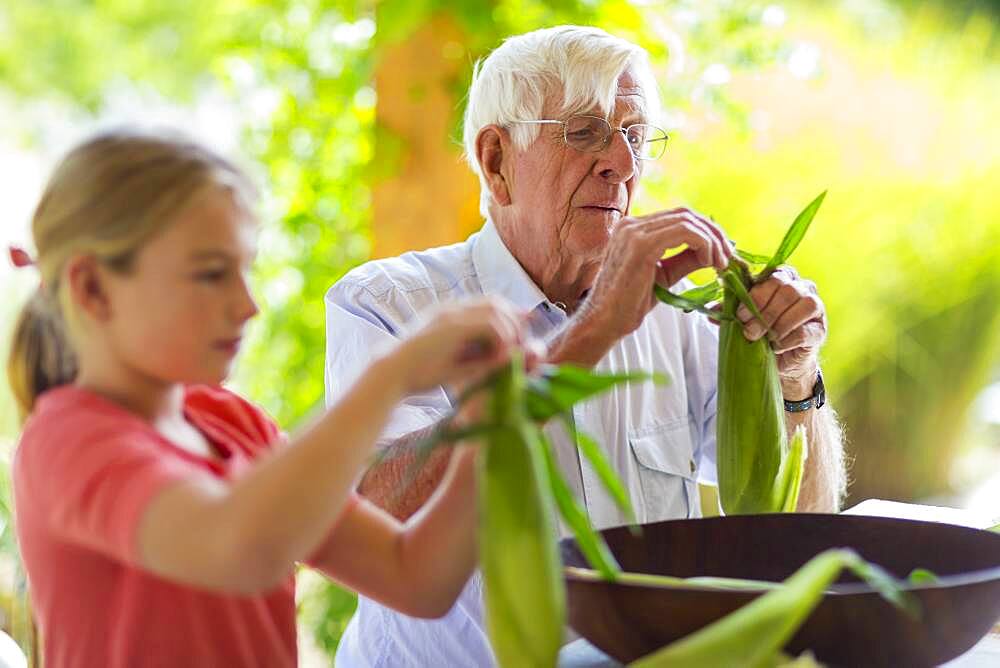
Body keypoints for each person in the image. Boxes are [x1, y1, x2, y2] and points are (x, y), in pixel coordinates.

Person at [327, 25, 846, 667]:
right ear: (496, 160)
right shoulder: (389, 303)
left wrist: (795, 382)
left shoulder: (682, 316)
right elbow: (364, 513)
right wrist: (592, 333)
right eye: (586, 132)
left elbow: (795, 530)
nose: (622, 164)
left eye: (634, 136)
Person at [7, 129, 531, 667]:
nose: (248, 305)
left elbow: (417, 577)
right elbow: (240, 549)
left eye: (244, 269)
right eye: (211, 274)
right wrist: (391, 376)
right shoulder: (69, 441)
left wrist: (483, 420)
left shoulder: (234, 424)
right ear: (92, 289)